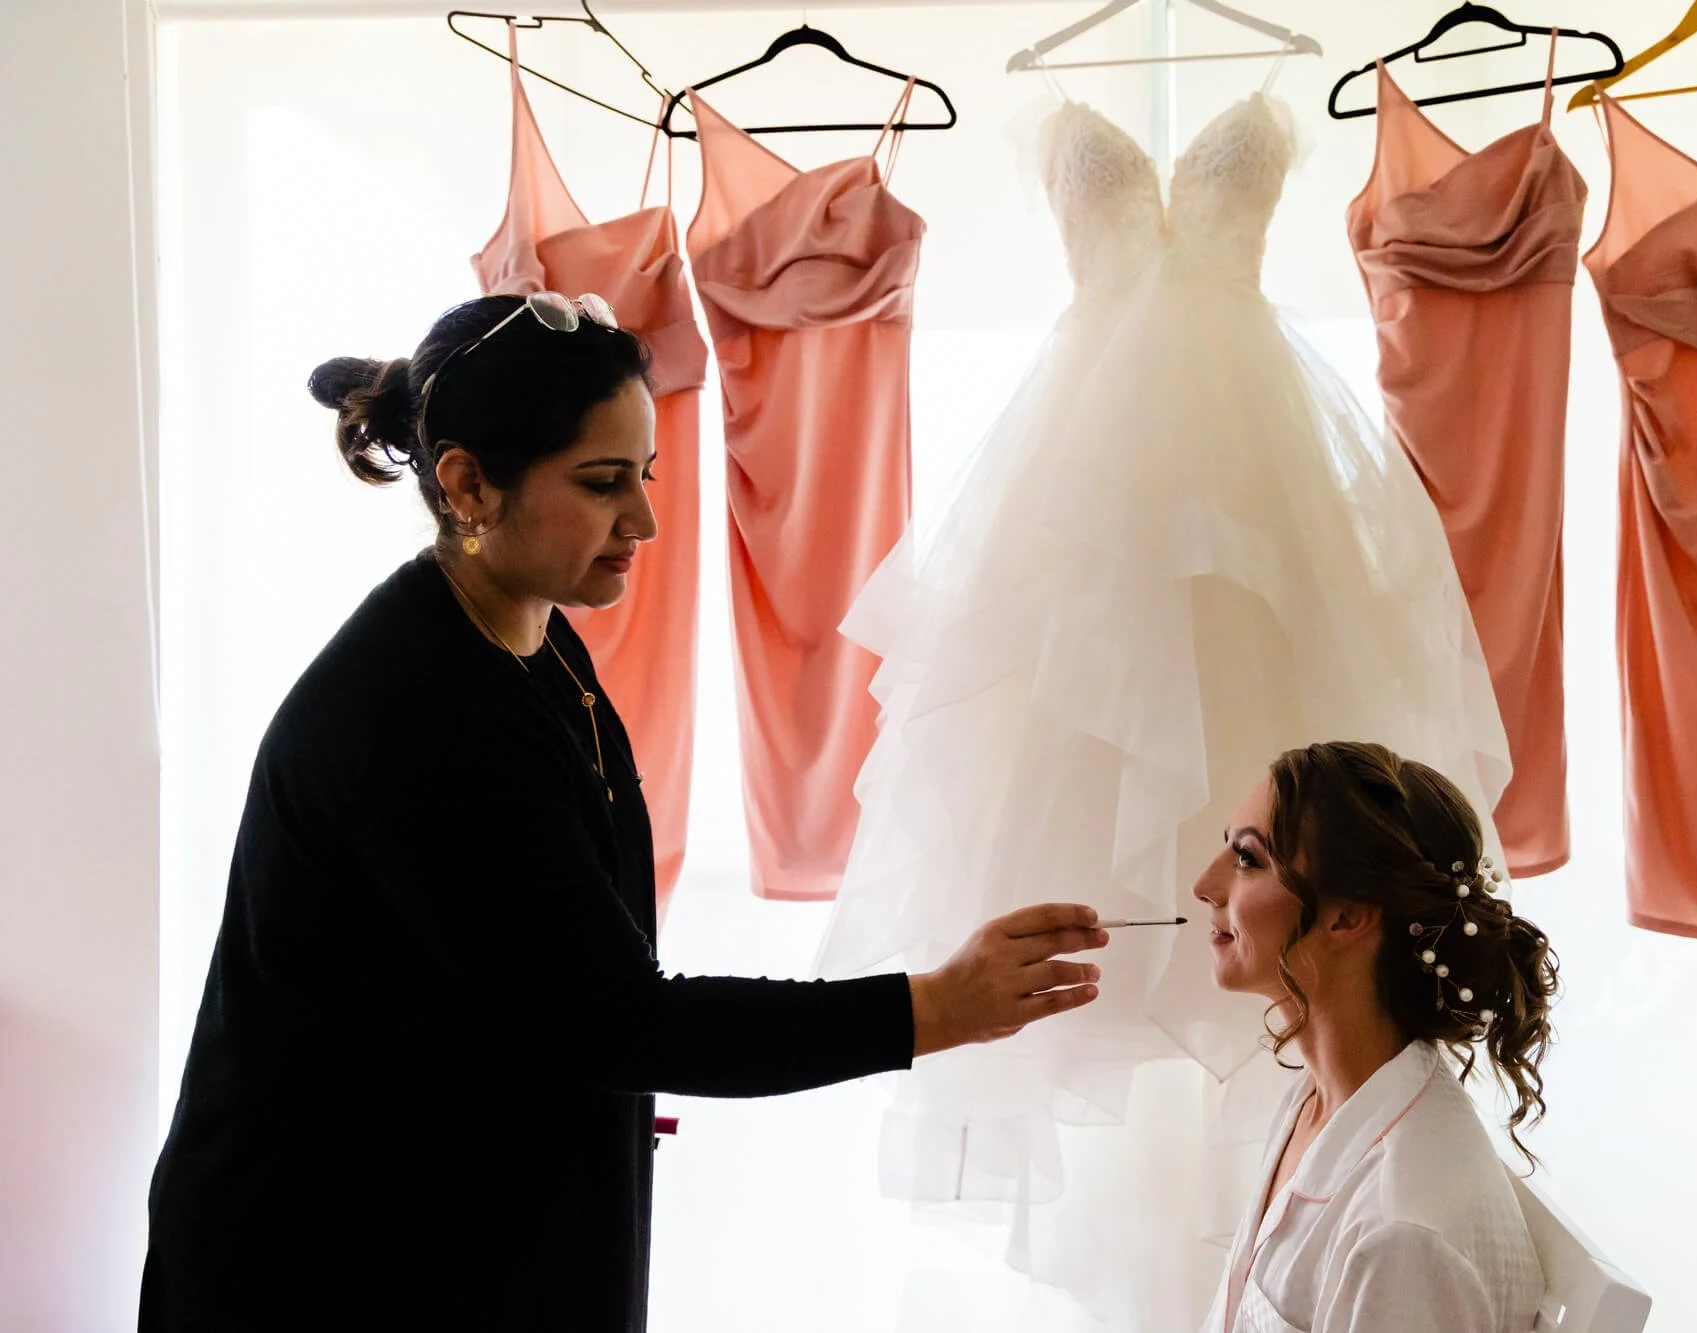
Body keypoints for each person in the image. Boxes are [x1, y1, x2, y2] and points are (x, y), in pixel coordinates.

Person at [140, 292, 1107, 1333]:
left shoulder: (526, 632)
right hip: (330, 1264)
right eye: (603, 484)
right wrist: (929, 1007)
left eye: (641, 477)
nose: (643, 521)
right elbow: (618, 1015)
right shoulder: (419, 710)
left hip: (447, 1219)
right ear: (467, 483)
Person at [1194, 741, 1559, 1333]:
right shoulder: (1318, 1100)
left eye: (1248, 859)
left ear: (1346, 917)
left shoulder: (1402, 1235)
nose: (1203, 884)